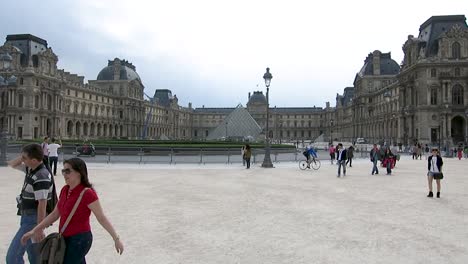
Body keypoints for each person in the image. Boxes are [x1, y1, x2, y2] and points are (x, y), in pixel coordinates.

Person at [21, 158, 124, 262]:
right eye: (63, 171)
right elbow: (55, 214)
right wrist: (34, 230)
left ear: (79, 172)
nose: (64, 174)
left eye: (68, 171)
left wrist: (116, 239)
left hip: (80, 239)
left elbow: (101, 218)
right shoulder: (65, 190)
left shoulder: (88, 193)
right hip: (64, 238)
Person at [6, 144, 54, 264]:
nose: (22, 160)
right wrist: (23, 157)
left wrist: (39, 228)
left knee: (13, 256)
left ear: (33, 160)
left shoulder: (41, 175)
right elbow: (12, 164)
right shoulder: (31, 169)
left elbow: (42, 204)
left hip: (32, 220)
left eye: (24, 158)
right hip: (27, 217)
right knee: (34, 256)